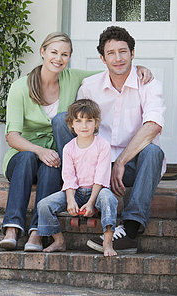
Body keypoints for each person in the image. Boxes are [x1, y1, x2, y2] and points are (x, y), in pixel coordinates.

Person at [0, 31, 152, 252]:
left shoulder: (72, 78)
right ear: (42, 52)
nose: (58, 59)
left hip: (56, 158)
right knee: (27, 158)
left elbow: (113, 68)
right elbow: (12, 136)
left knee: (52, 168)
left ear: (69, 57)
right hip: (25, 154)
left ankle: (36, 234)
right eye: (53, 52)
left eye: (64, 54)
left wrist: (138, 69)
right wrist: (40, 151)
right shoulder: (20, 87)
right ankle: (12, 228)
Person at [52, 25, 166, 254]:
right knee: (62, 119)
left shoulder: (148, 83)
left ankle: (130, 231)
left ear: (133, 54)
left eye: (123, 52)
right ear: (102, 59)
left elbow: (153, 125)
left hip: (131, 165)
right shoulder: (91, 85)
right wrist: (101, 167)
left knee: (154, 152)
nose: (118, 58)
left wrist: (121, 162)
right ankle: (77, 188)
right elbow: (75, 124)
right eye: (111, 53)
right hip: (94, 165)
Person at [37, 99, 117, 255]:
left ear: (96, 123)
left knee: (109, 199)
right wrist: (70, 199)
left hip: (98, 192)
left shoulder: (102, 145)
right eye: (79, 121)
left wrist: (91, 202)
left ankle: (108, 242)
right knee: (43, 205)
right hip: (75, 192)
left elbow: (101, 176)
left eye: (89, 121)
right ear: (71, 124)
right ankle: (59, 241)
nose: (84, 126)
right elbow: (68, 176)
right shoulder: (69, 148)